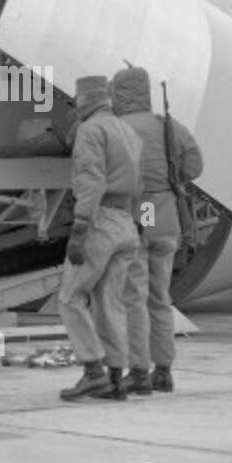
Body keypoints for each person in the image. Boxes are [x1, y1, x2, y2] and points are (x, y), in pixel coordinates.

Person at [110, 66, 203, 394]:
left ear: (118, 94)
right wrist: (169, 179)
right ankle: (163, 370)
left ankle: (137, 370)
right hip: (165, 219)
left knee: (134, 297)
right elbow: (195, 166)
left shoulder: (115, 128)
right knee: (160, 297)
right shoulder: (169, 126)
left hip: (136, 216)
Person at [58, 75, 143, 402]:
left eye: (76, 100)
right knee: (110, 303)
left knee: (70, 297)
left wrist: (80, 229)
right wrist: (141, 223)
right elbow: (141, 186)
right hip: (126, 223)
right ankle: (116, 378)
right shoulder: (129, 130)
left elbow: (91, 181)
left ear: (85, 99)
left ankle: (93, 371)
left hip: (100, 221)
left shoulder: (91, 130)